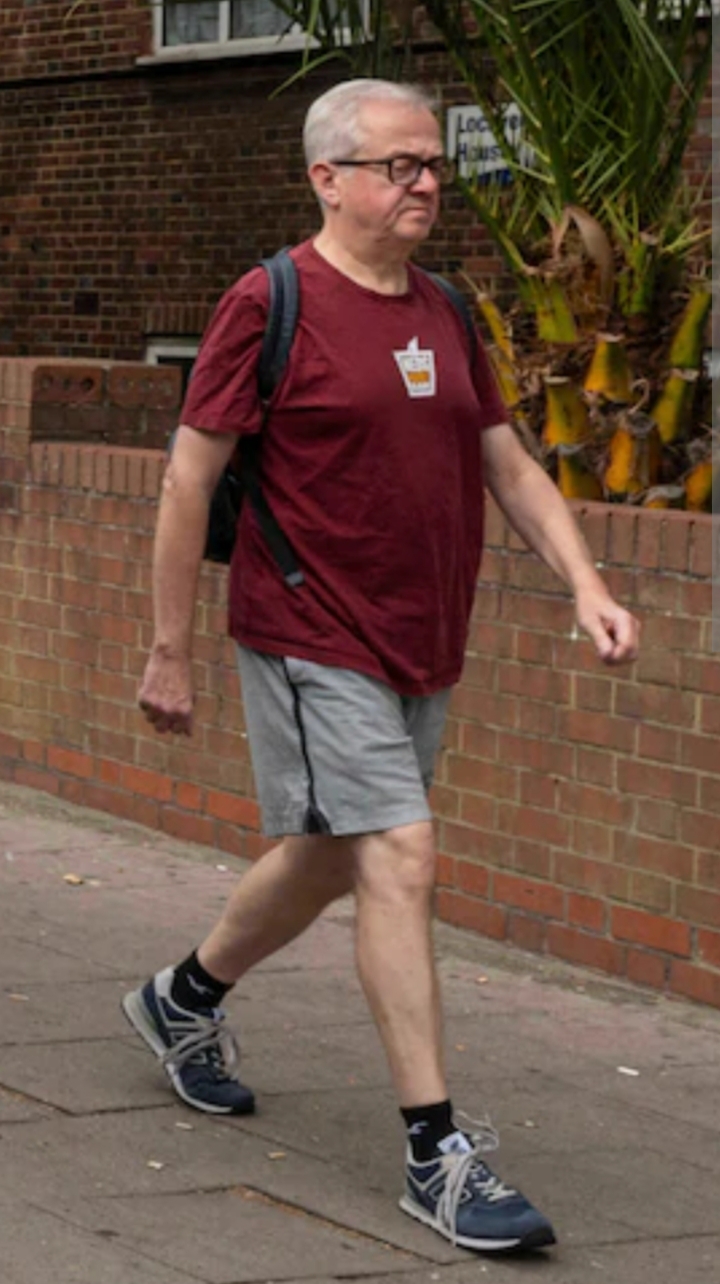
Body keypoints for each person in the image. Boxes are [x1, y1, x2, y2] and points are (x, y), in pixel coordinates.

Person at [124, 78, 639, 1255]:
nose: (425, 184)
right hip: (311, 629)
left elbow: (505, 461)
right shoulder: (271, 301)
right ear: (328, 178)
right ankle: (436, 1155)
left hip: (422, 635)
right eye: (399, 165)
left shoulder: (445, 308)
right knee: (399, 854)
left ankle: (180, 998)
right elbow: (189, 480)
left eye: (432, 165)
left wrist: (587, 583)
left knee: (331, 852)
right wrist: (169, 650)